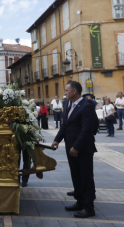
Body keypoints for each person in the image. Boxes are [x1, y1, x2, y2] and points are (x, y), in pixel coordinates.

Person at [51, 81, 97, 218]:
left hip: (82, 148)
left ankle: (89, 208)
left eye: (66, 90)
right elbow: (65, 125)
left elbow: (87, 129)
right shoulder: (67, 104)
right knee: (76, 175)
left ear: (74, 92)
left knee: (86, 177)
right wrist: (56, 140)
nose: (64, 93)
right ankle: (79, 201)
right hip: (70, 147)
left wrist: (77, 146)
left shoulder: (87, 105)